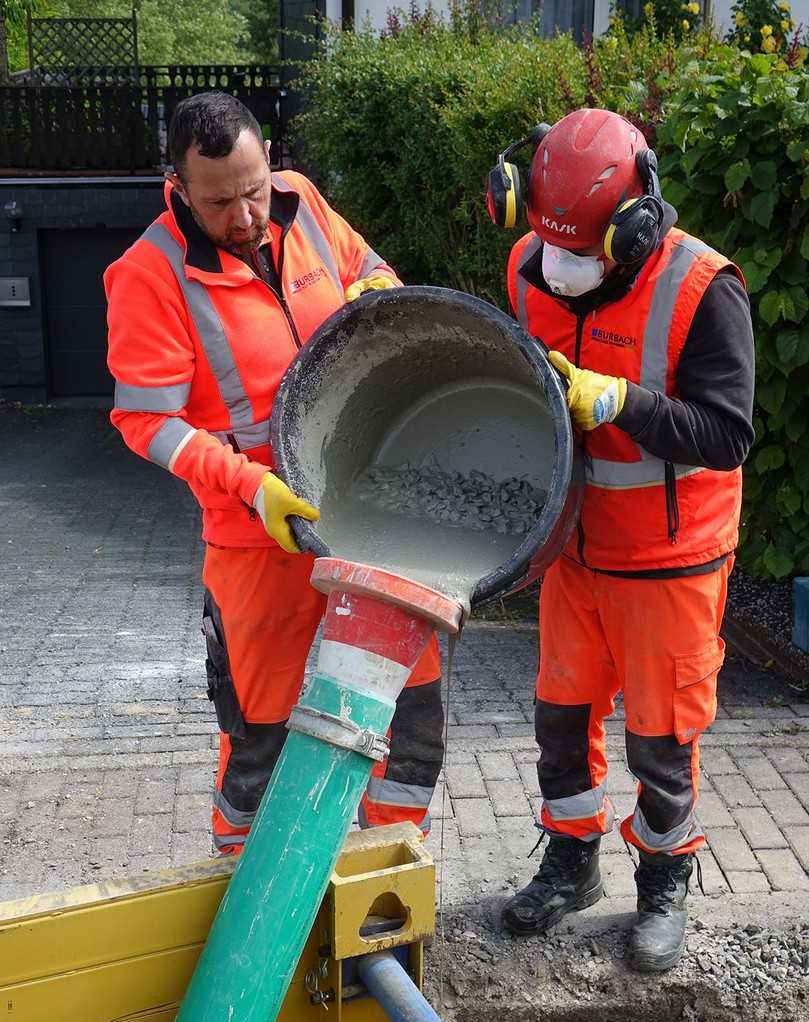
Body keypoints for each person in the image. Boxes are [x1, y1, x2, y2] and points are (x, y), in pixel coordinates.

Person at [105, 91, 443, 854]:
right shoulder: (148, 275)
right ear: (177, 187)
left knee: (410, 718)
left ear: (269, 163)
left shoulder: (304, 202)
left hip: (368, 519)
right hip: (256, 541)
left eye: (254, 190)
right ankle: (250, 905)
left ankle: (385, 888)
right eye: (220, 202)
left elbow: (369, 266)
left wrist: (380, 290)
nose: (246, 215)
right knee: (259, 746)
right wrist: (252, 487)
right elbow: (145, 421)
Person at [496, 108, 755, 971]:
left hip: (668, 563)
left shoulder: (701, 288)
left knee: (660, 740)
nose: (562, 269)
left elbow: (726, 434)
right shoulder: (530, 267)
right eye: (551, 245)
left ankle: (663, 879)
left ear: (635, 221)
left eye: (583, 251)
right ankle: (572, 862)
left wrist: (621, 403)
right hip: (571, 553)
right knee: (561, 722)